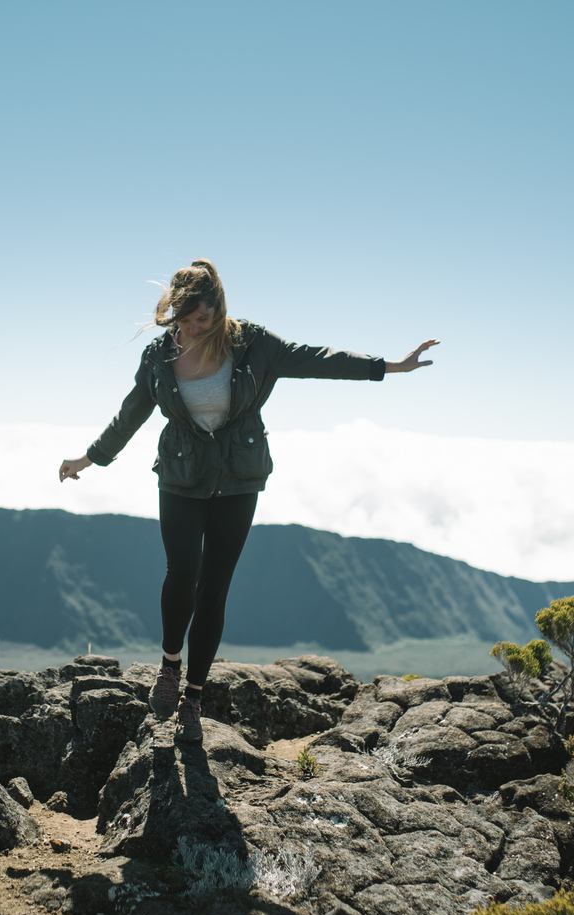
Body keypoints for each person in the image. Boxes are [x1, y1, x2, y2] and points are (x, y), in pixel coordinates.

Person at [58, 259, 437, 743]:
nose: (194, 329)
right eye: (186, 320)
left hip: (238, 481)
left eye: (204, 319)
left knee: (214, 588)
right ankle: (170, 666)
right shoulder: (159, 357)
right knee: (181, 574)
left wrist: (388, 367)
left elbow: (317, 359)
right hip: (180, 479)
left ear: (220, 309)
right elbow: (131, 413)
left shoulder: (253, 344)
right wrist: (88, 458)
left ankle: (193, 696)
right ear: (173, 314)